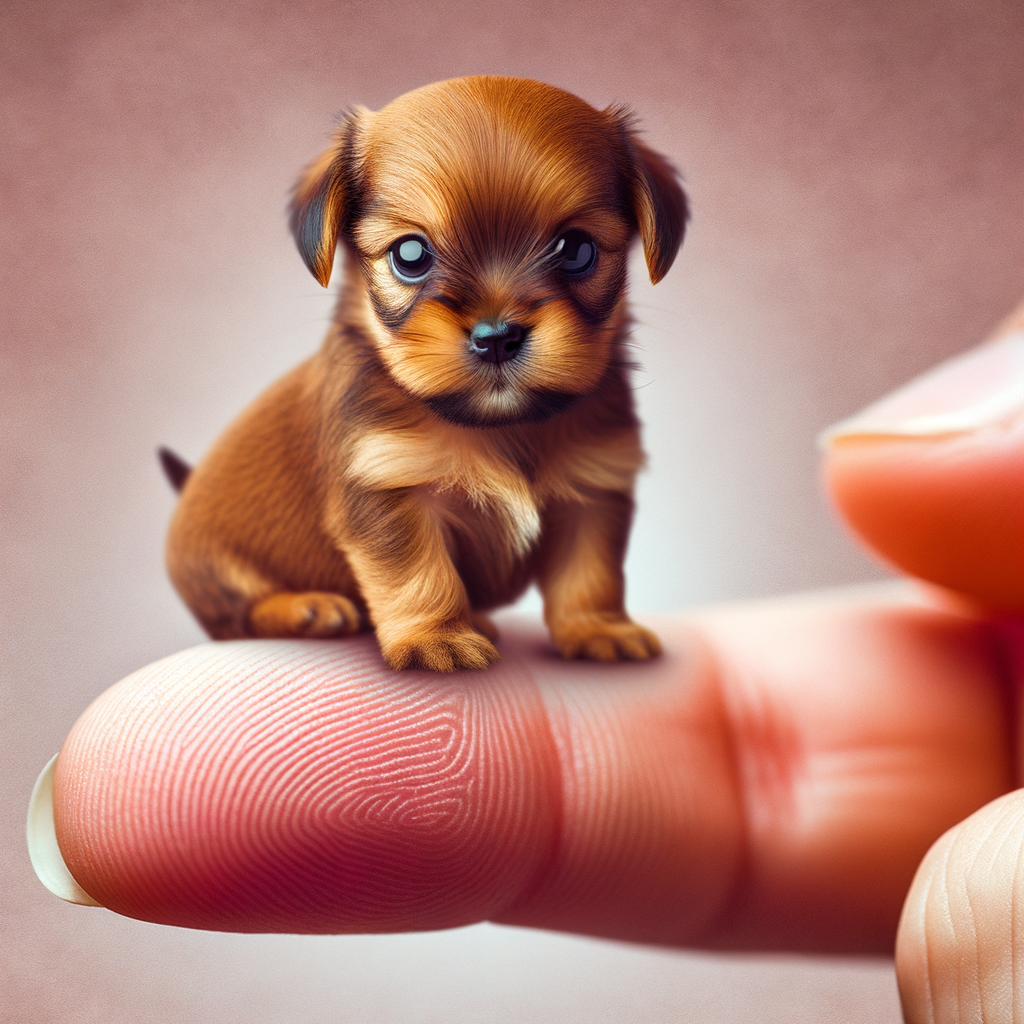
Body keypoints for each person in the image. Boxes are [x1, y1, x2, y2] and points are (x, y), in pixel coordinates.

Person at [32, 299, 1024, 1024]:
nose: (495, 315)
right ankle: (283, 592)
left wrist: (584, 607)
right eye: (414, 260)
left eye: (571, 252)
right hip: (248, 558)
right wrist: (418, 615)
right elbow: (376, 505)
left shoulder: (592, 400)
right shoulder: (368, 402)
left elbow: (595, 497)